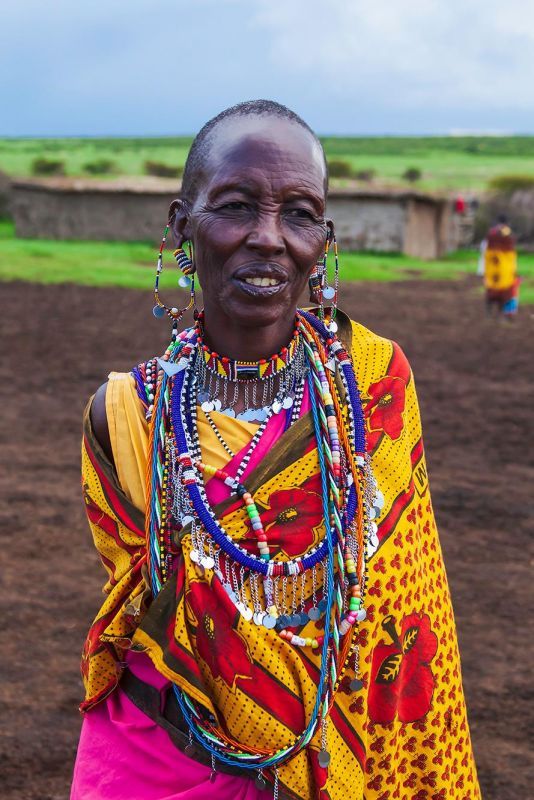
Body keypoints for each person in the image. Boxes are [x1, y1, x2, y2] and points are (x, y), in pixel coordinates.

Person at [71, 100, 481, 800]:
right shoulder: (125, 416)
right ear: (180, 226)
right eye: (235, 206)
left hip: (328, 758)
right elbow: (152, 604)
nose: (268, 238)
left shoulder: (375, 383)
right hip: (157, 752)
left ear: (324, 240)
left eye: (298, 213)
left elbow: (407, 614)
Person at [480, 213, 520, 318]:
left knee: (495, 288)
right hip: (501, 266)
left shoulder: (493, 233)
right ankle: (502, 313)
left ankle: (493, 312)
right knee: (503, 289)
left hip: (496, 266)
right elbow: (511, 252)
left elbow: (485, 250)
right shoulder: (503, 234)